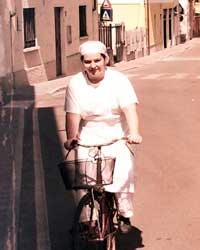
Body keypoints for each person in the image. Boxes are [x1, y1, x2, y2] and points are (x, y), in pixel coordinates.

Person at [64, 40, 142, 233]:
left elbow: (129, 109)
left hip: (115, 137)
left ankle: (124, 214)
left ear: (105, 59)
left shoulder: (119, 80)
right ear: (82, 63)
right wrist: (71, 138)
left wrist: (134, 133)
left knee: (123, 172)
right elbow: (72, 115)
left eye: (97, 60)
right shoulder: (75, 83)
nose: (93, 66)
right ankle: (86, 221)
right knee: (83, 180)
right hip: (87, 138)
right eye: (87, 62)